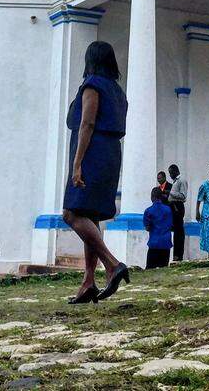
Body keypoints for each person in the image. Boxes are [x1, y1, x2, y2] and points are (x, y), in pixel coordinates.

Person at [61, 41, 130, 304]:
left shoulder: (92, 85)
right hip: (111, 154)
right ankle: (88, 281)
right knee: (90, 215)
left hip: (93, 152)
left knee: (71, 213)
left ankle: (112, 265)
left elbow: (87, 123)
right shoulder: (117, 91)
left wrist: (77, 162)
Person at [143, 188, 173, 269]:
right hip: (166, 243)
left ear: (152, 197)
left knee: (150, 269)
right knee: (164, 268)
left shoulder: (148, 211)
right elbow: (171, 224)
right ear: (161, 197)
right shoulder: (168, 209)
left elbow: (147, 227)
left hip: (154, 243)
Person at [167, 164, 188, 262]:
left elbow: (183, 196)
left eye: (171, 173)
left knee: (179, 231)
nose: (170, 175)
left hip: (178, 207)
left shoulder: (181, 180)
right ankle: (175, 254)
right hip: (173, 206)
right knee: (175, 231)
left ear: (176, 171)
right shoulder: (175, 181)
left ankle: (179, 255)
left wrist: (170, 192)